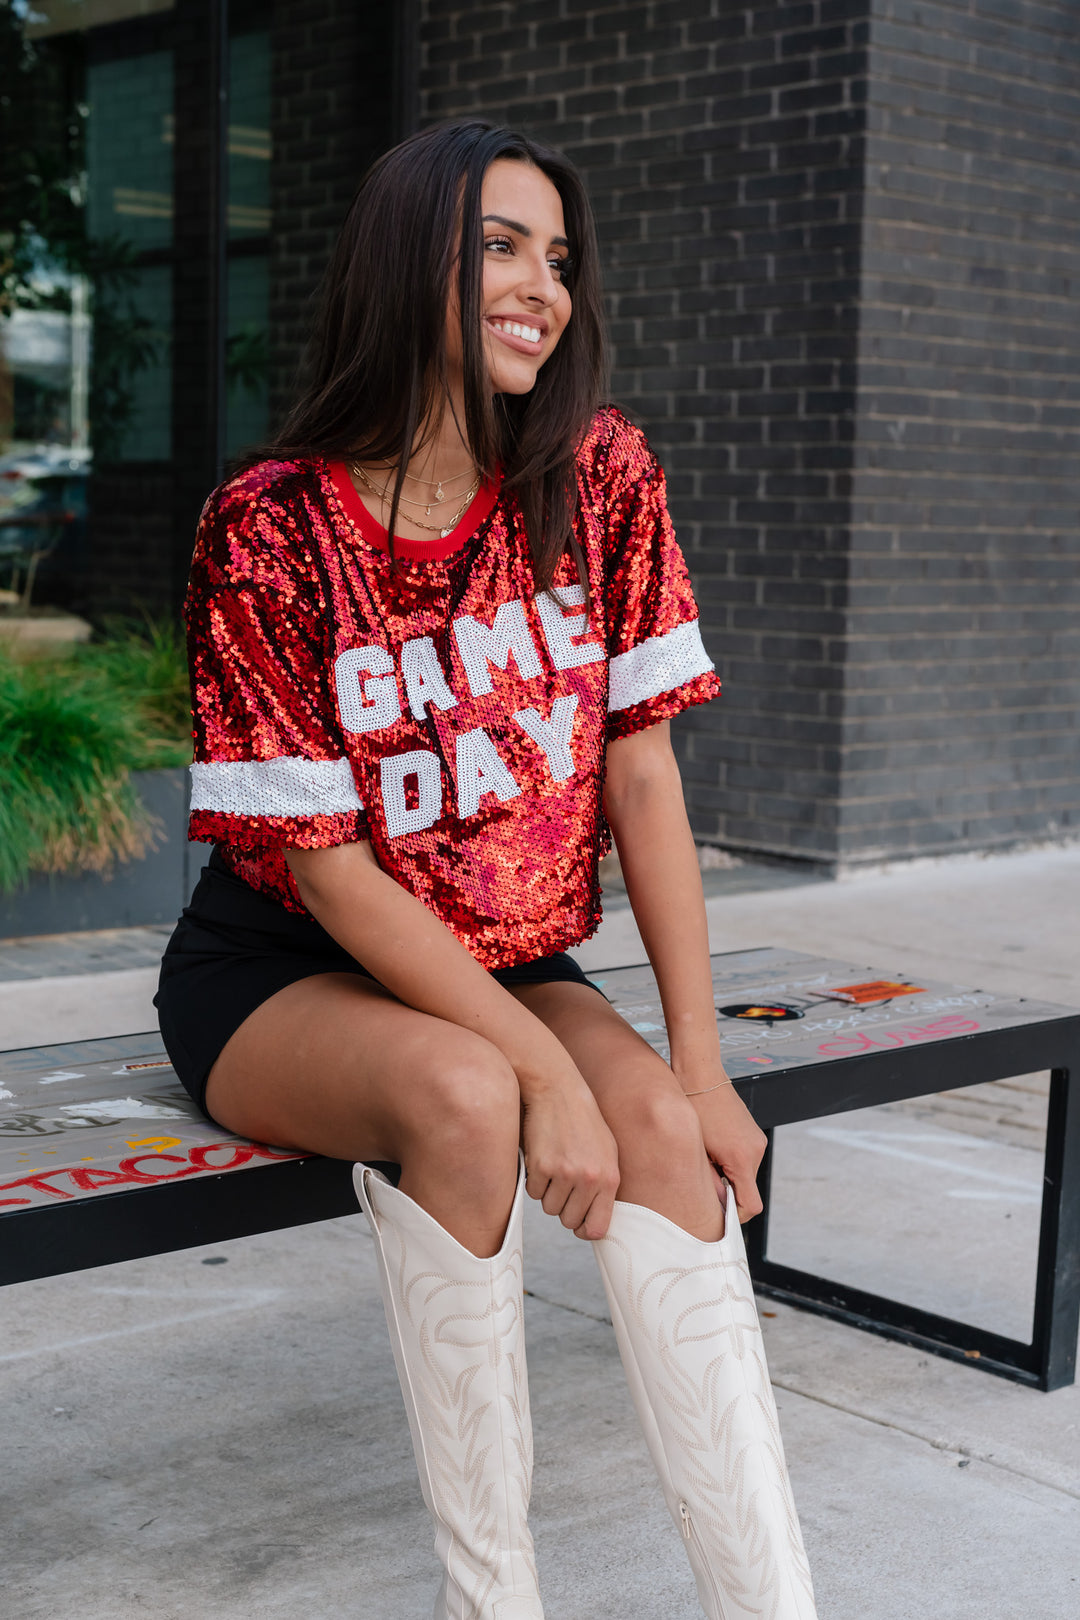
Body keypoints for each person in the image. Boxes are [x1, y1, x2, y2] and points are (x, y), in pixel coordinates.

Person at [156, 119, 817, 1620]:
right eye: (502, 247)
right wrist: (538, 1074)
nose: (543, 287)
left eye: (560, 258)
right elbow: (323, 871)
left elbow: (642, 774)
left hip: (511, 952)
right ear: (415, 263)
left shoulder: (600, 476)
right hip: (284, 972)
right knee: (466, 1095)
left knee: (660, 1130)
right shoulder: (267, 528)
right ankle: (490, 1602)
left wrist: (697, 1064)